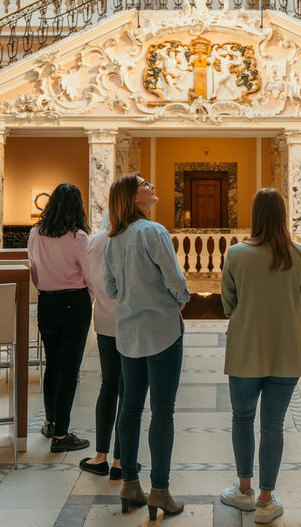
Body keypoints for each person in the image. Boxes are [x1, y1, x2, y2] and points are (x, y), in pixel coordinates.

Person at [219, 189, 301, 525]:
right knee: (273, 425)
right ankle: (266, 499)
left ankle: (243, 488)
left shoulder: (237, 254)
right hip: (285, 349)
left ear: (255, 215)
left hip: (245, 348)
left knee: (242, 419)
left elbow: (228, 304)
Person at [104, 174, 191, 518]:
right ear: (132, 196)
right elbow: (175, 279)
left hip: (128, 333)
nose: (152, 185)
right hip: (162, 331)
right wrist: (181, 299)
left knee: (130, 408)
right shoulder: (153, 232)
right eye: (144, 183)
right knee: (163, 411)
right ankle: (160, 490)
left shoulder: (115, 238)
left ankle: (129, 484)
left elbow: (110, 290)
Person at [28, 183, 92, 452]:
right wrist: (87, 298)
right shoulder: (78, 237)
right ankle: (62, 436)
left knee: (53, 365)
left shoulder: (36, 233)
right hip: (73, 303)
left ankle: (50, 421)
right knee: (70, 370)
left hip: (47, 302)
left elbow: (32, 269)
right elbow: (90, 275)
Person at [80, 213, 126, 478]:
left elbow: (90, 280)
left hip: (104, 321)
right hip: (129, 322)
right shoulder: (126, 239)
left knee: (108, 386)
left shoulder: (95, 241)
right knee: (127, 392)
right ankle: (121, 461)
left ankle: (100, 456)